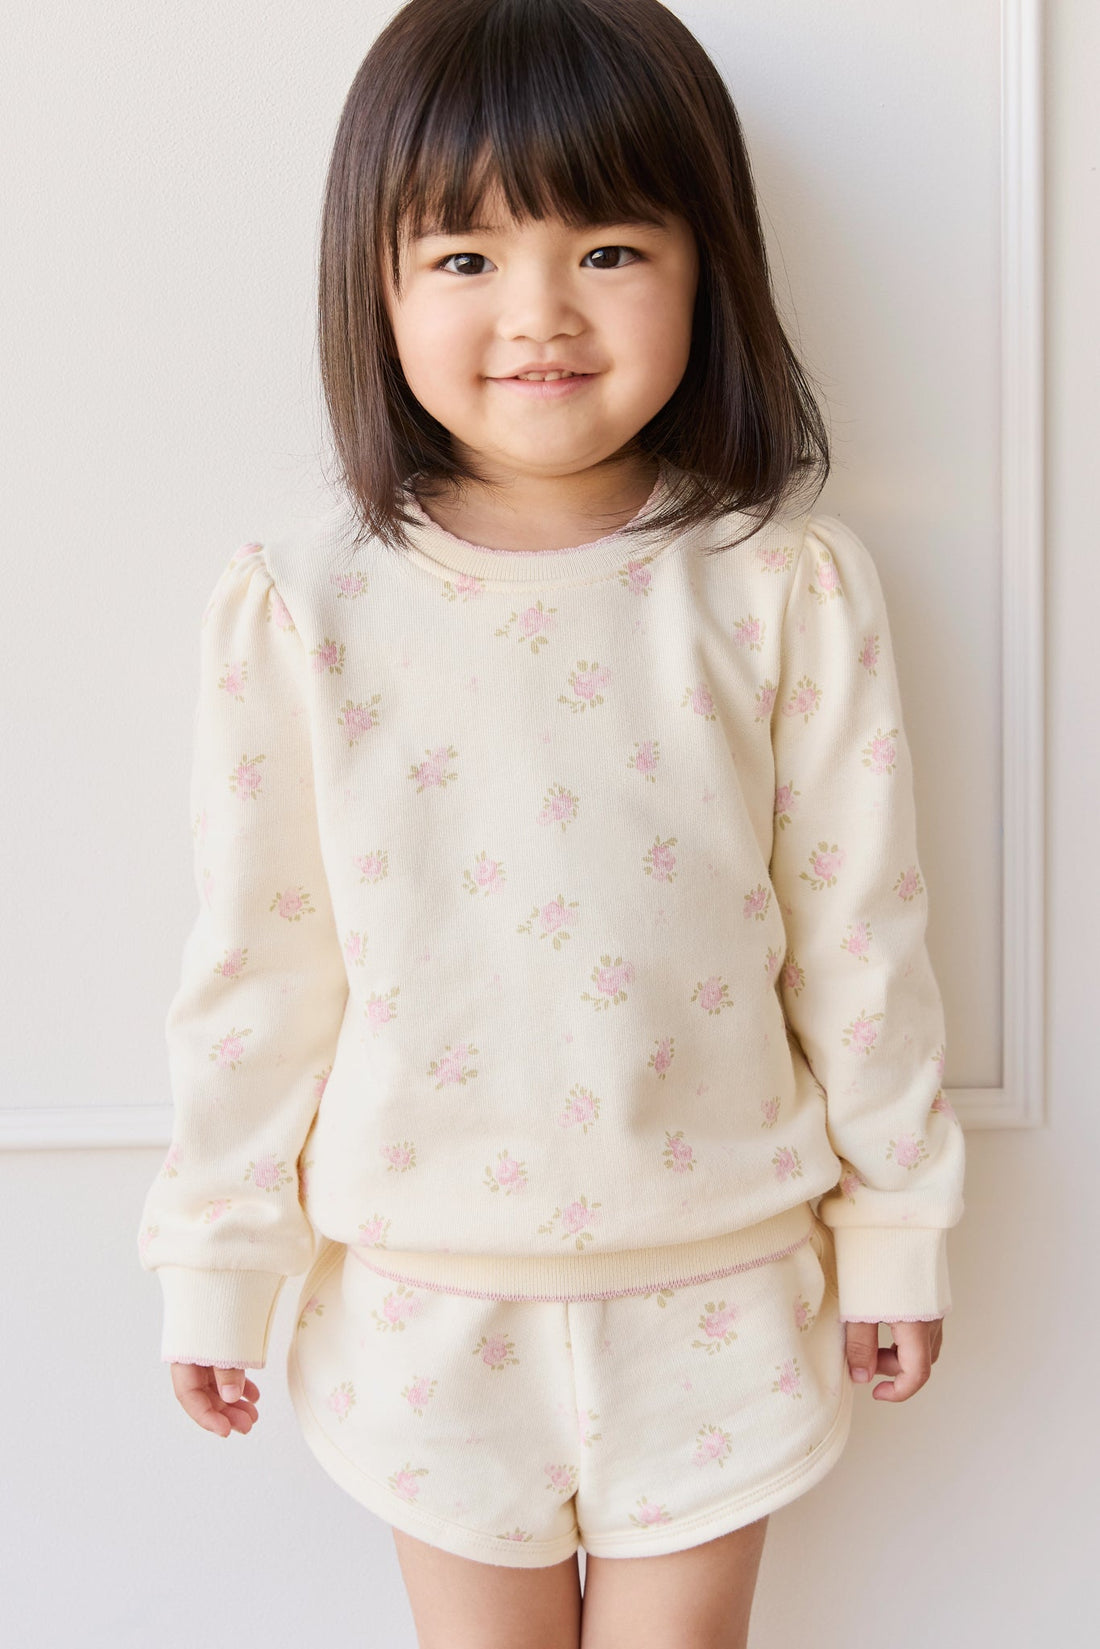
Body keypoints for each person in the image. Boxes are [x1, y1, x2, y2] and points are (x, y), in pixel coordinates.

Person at [136, 1, 966, 1643]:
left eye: (608, 250)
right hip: (422, 1299)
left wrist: (895, 1226)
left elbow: (862, 935)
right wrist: (219, 1259)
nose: (538, 314)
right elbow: (259, 969)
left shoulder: (781, 587)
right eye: (464, 257)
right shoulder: (303, 607)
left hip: (718, 1279)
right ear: (374, 284)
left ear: (706, 266)